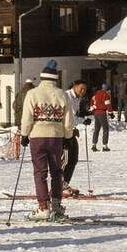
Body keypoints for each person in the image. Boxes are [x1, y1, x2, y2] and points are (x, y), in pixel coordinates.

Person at [19, 61, 74, 220]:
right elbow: (68, 119)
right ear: (55, 79)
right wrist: (68, 136)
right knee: (57, 172)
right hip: (56, 137)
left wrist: (24, 134)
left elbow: (27, 117)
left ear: (42, 78)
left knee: (40, 173)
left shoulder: (33, 94)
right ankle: (56, 205)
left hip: (37, 136)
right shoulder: (62, 94)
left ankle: (43, 207)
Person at [62, 80, 89, 196]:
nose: (83, 91)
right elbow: (66, 116)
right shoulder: (66, 96)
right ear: (75, 86)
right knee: (65, 160)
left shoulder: (77, 99)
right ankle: (58, 184)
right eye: (81, 88)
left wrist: (83, 120)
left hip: (71, 131)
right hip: (63, 132)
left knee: (74, 158)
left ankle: (65, 183)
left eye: (85, 90)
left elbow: (73, 117)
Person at [90, 83, 111, 151]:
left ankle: (94, 145)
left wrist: (93, 110)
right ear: (106, 89)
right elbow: (108, 104)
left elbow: (92, 102)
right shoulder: (106, 95)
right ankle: (105, 146)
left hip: (96, 113)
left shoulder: (96, 94)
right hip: (102, 113)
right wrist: (111, 113)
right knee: (105, 129)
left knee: (96, 129)